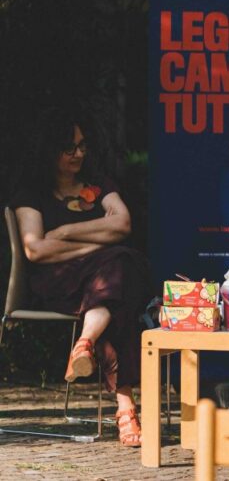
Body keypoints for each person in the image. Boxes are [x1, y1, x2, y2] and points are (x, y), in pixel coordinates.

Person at [11, 109, 150, 447]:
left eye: (82, 146)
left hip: (100, 281)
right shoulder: (31, 194)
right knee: (118, 271)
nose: (78, 154)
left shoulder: (98, 185)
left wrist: (66, 232)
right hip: (58, 282)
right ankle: (125, 408)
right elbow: (35, 250)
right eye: (69, 147)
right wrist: (97, 243)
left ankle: (85, 344)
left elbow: (123, 223)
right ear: (50, 150)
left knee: (116, 281)